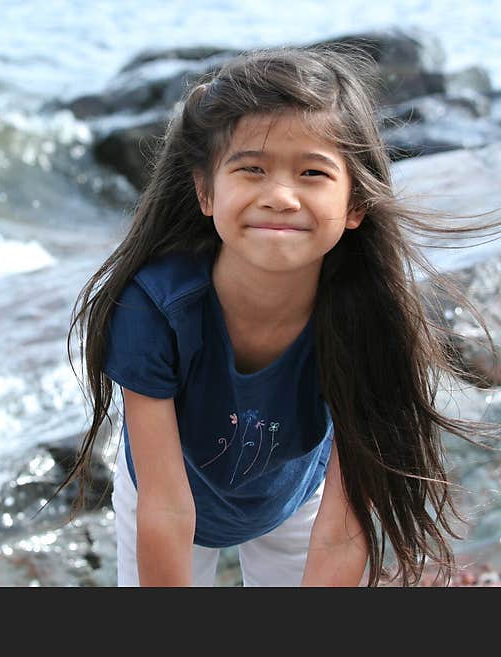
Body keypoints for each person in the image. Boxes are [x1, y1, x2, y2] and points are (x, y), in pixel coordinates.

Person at [51, 44, 501, 586]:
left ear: (356, 204)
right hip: (163, 496)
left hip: (297, 496)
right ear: (205, 191)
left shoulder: (367, 315)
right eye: (252, 169)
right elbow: (168, 512)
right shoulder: (153, 310)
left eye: (313, 172)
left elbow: (342, 527)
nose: (280, 196)